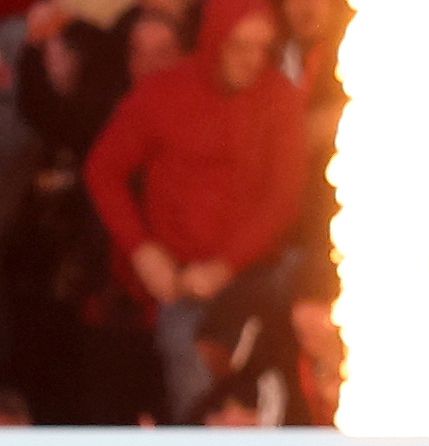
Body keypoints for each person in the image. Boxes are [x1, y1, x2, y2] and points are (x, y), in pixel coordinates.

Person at [82, 0, 305, 420]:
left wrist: (225, 266)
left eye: (262, 48)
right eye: (240, 46)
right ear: (215, 41)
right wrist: (143, 251)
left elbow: (283, 199)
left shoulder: (280, 98)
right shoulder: (163, 92)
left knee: (295, 319)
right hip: (182, 283)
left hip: (258, 275)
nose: (252, 59)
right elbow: (102, 169)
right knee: (187, 346)